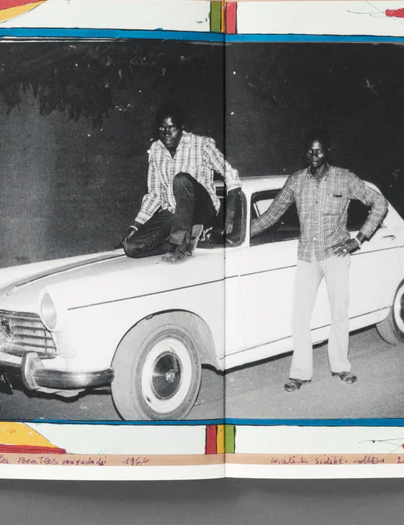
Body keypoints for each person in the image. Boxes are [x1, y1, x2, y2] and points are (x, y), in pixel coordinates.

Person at [249, 129, 388, 391]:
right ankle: (300, 373)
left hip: (336, 254)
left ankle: (341, 367)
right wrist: (238, 235)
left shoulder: (344, 178)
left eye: (319, 150)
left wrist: (359, 239)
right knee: (300, 315)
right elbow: (271, 214)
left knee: (339, 313)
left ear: (328, 152)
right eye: (310, 150)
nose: (314, 155)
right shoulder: (296, 180)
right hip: (307, 256)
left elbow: (379, 203)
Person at [122, 104, 242, 263]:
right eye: (162, 128)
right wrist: (136, 225)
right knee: (131, 247)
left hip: (202, 209)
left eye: (172, 128)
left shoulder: (201, 144)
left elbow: (231, 174)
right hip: (174, 212)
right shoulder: (156, 150)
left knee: (181, 180)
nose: (167, 134)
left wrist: (230, 212)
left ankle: (179, 246)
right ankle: (187, 239)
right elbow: (155, 194)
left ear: (182, 126)